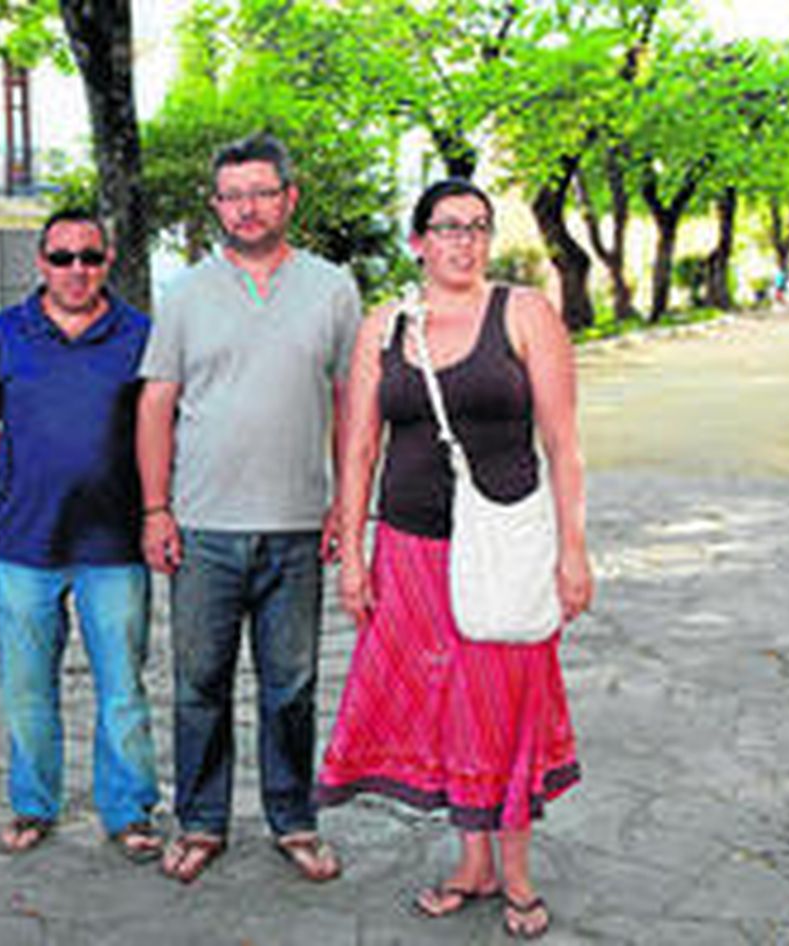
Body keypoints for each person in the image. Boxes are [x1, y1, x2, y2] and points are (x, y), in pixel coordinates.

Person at [316, 178, 592, 940]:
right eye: (447, 227)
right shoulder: (385, 326)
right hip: (411, 547)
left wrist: (573, 551)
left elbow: (564, 443)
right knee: (446, 705)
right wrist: (353, 556)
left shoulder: (525, 313)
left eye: (477, 227)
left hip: (506, 547)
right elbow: (359, 447)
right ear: (418, 242)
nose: (464, 242)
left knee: (506, 700)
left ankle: (518, 872)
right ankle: (473, 865)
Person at [135, 132, 361, 884]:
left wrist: (346, 505)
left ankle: (294, 820)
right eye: (233, 196)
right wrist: (156, 510)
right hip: (203, 528)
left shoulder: (332, 288)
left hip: (297, 527)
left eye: (262, 192)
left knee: (291, 686)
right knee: (199, 685)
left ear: (289, 198)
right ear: (215, 206)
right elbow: (156, 404)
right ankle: (201, 822)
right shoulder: (183, 294)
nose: (247, 208)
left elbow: (350, 403)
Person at [0, 208, 162, 862]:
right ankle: (33, 806)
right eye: (63, 257)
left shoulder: (141, 335)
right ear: (42, 262)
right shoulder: (4, 335)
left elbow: (162, 428)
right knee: (26, 691)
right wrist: (25, 460)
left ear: (108, 261)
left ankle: (128, 811)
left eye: (90, 257)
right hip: (26, 542)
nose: (77, 270)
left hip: (115, 544)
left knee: (123, 690)